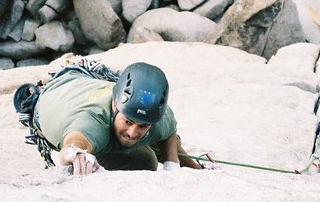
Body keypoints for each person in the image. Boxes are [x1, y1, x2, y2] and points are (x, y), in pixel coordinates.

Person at [32, 62, 203, 176]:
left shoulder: (158, 115)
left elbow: (169, 133)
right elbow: (74, 142)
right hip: (57, 96)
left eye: (143, 126)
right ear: (115, 105)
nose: (132, 132)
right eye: (128, 121)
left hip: (87, 86)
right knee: (145, 161)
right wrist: (74, 154)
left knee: (149, 143)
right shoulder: (93, 122)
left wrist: (175, 164)